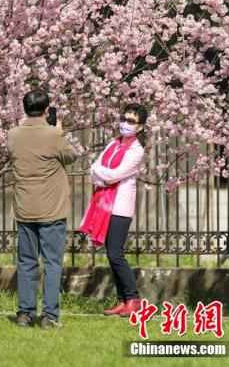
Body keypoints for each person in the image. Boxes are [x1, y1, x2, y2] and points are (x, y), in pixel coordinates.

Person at [7, 90, 77, 329]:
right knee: (52, 263)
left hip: (25, 207)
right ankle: (49, 315)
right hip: (52, 209)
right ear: (47, 109)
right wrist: (58, 131)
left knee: (26, 261)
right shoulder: (53, 135)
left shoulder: (13, 135)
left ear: (24, 108)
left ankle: (25, 314)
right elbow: (71, 157)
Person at [86, 103, 147, 318]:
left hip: (120, 207)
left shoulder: (136, 151)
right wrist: (100, 172)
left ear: (139, 127)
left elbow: (113, 175)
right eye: (124, 118)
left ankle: (133, 299)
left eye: (131, 121)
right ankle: (123, 301)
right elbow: (93, 168)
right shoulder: (113, 143)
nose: (125, 124)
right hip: (105, 205)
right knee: (112, 255)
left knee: (115, 253)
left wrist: (101, 173)